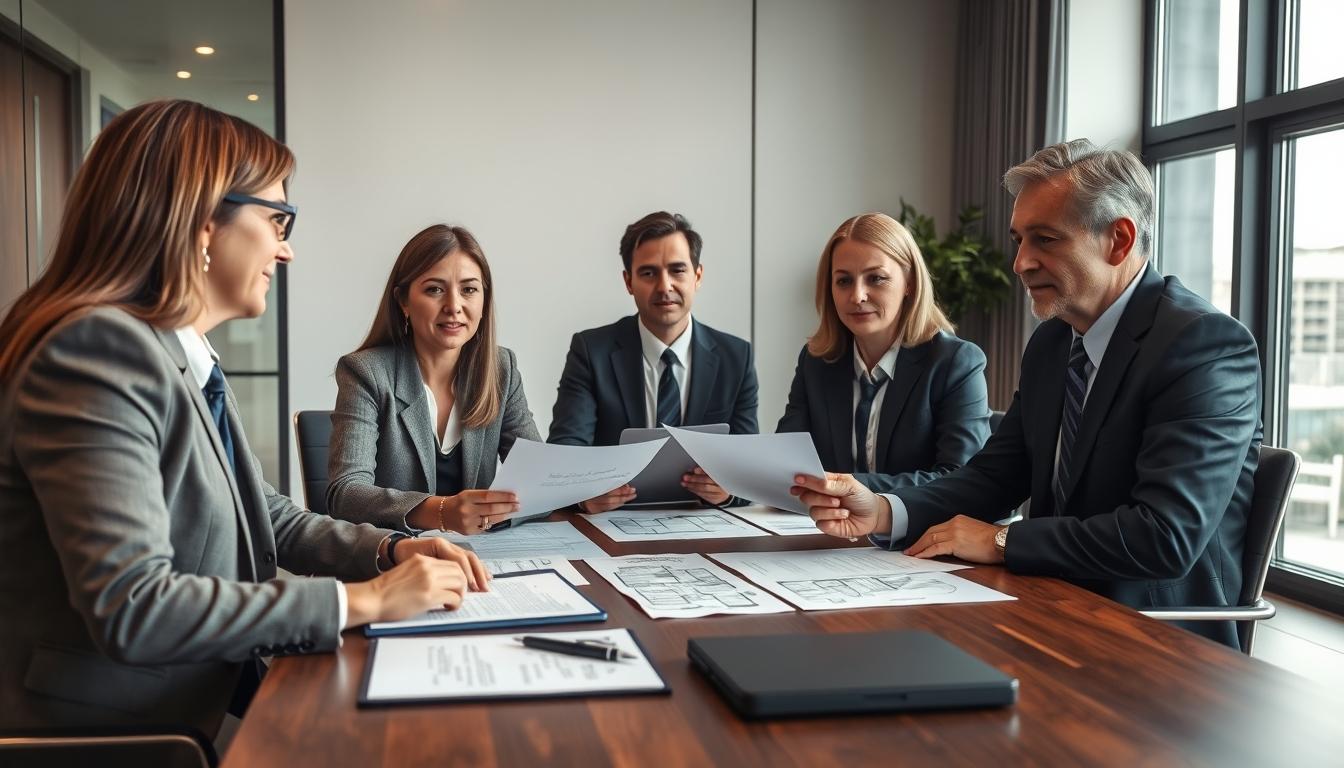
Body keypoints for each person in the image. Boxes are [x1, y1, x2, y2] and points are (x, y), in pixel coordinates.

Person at [0, 100, 489, 736]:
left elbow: (268, 514)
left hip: (197, 691)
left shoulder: (177, 354)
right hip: (113, 731)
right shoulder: (96, 352)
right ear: (205, 222)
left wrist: (389, 550)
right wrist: (362, 601)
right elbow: (134, 607)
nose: (285, 251)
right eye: (277, 220)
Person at [792, 139, 1261, 648]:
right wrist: (883, 510)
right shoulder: (1054, 342)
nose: (1019, 263)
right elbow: (994, 477)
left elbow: (1163, 537)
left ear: (1119, 241)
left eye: (1045, 240)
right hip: (1051, 604)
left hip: (1155, 637)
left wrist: (1001, 539)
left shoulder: (1205, 346)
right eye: (1019, 240)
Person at [690, 213, 990, 503]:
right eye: (844, 281)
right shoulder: (818, 362)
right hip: (828, 538)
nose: (857, 296)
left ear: (909, 282)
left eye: (876, 278)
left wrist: (850, 487)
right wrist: (732, 485)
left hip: (915, 538)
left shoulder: (955, 362)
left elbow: (959, 479)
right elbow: (784, 464)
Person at [327, 224, 542, 534]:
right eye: (434, 289)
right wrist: (441, 512)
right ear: (403, 301)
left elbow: (538, 481)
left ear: (484, 300)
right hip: (395, 559)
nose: (454, 306)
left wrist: (578, 497)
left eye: (469, 289)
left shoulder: (501, 370)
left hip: (482, 561)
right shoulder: (366, 372)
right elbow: (345, 494)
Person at [548, 211, 759, 512]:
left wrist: (727, 493)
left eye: (677, 270)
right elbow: (564, 453)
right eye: (648, 273)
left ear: (697, 276)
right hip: (612, 522)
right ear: (628, 281)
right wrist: (582, 495)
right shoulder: (591, 351)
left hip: (704, 522)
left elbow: (749, 469)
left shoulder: (735, 357)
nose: (665, 286)